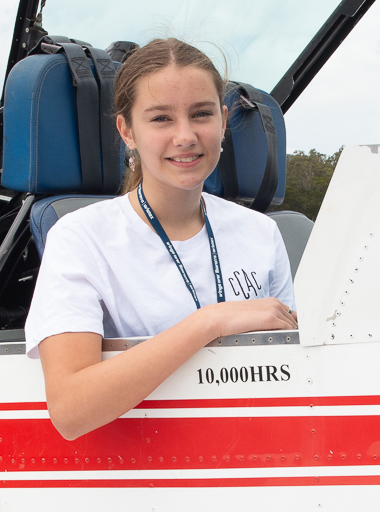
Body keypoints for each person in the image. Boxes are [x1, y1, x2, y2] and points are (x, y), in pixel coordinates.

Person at [24, 38, 297, 440]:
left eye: (201, 114)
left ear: (223, 121)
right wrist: (209, 322)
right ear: (127, 131)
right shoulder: (80, 238)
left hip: (255, 450)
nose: (185, 136)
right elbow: (70, 410)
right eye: (161, 119)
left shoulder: (261, 231)